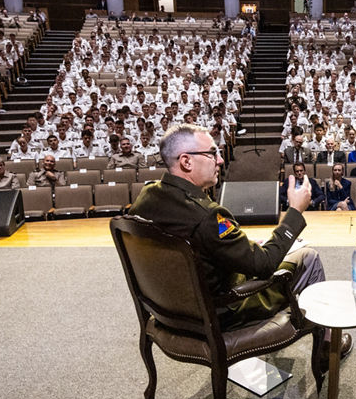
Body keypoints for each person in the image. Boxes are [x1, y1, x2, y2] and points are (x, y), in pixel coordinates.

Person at [130, 124, 344, 356]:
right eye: (212, 153)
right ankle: (327, 347)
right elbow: (263, 265)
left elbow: (206, 246)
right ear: (186, 161)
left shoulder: (146, 197)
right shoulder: (209, 216)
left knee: (268, 248)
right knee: (308, 257)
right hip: (223, 311)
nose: (220, 160)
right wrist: (294, 212)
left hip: (168, 307)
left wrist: (243, 246)